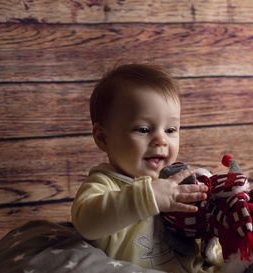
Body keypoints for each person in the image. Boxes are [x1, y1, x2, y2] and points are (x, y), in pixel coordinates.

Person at [71, 63, 222, 273]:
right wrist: (148, 196)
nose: (161, 140)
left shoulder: (176, 181)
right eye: (143, 129)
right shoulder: (104, 183)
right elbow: (87, 223)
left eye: (170, 129)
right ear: (103, 138)